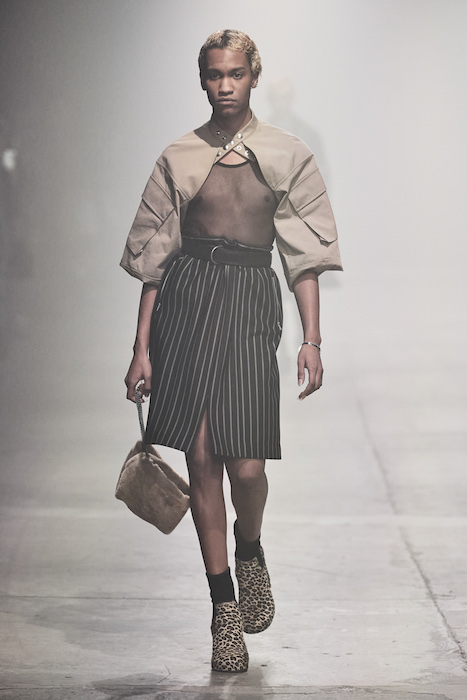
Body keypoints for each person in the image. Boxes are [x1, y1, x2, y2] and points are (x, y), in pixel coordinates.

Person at [121, 29, 342, 673]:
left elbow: (304, 257)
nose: (225, 86)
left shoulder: (287, 154)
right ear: (202, 79)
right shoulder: (179, 156)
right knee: (202, 457)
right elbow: (155, 263)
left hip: (249, 299)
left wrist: (312, 339)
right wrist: (140, 349)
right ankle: (223, 608)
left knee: (247, 465)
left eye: (235, 74)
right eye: (214, 75)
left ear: (254, 77)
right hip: (187, 299)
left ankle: (250, 549)